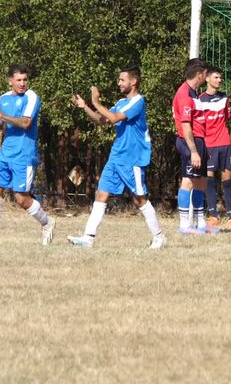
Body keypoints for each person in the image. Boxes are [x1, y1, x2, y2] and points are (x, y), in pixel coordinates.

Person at [67, 66, 164, 249]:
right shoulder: (120, 102)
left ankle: (158, 237)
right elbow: (102, 120)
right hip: (116, 156)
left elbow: (113, 118)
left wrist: (96, 102)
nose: (119, 83)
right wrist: (85, 106)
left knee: (139, 199)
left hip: (132, 158)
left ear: (133, 82)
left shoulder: (138, 102)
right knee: (101, 193)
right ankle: (88, 238)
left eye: (122, 80)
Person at [0, 64, 55, 245]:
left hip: (24, 155)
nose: (22, 83)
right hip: (5, 154)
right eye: (18, 80)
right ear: (10, 81)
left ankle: (47, 222)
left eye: (25, 80)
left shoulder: (31, 97)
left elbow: (26, 123)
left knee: (21, 198)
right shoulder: (4, 98)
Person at [174, 59, 214, 235]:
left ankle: (200, 223)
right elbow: (185, 126)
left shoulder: (194, 93)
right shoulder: (184, 94)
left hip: (199, 141)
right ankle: (184, 225)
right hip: (189, 142)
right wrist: (193, 151)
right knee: (188, 181)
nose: (206, 78)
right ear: (199, 75)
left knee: (201, 182)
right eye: (205, 75)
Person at [198, 65, 231, 226]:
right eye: (216, 77)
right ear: (207, 79)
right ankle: (213, 215)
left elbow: (227, 117)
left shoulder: (224, 98)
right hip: (209, 145)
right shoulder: (200, 100)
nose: (219, 80)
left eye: (220, 77)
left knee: (227, 180)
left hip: (224, 143)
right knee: (209, 179)